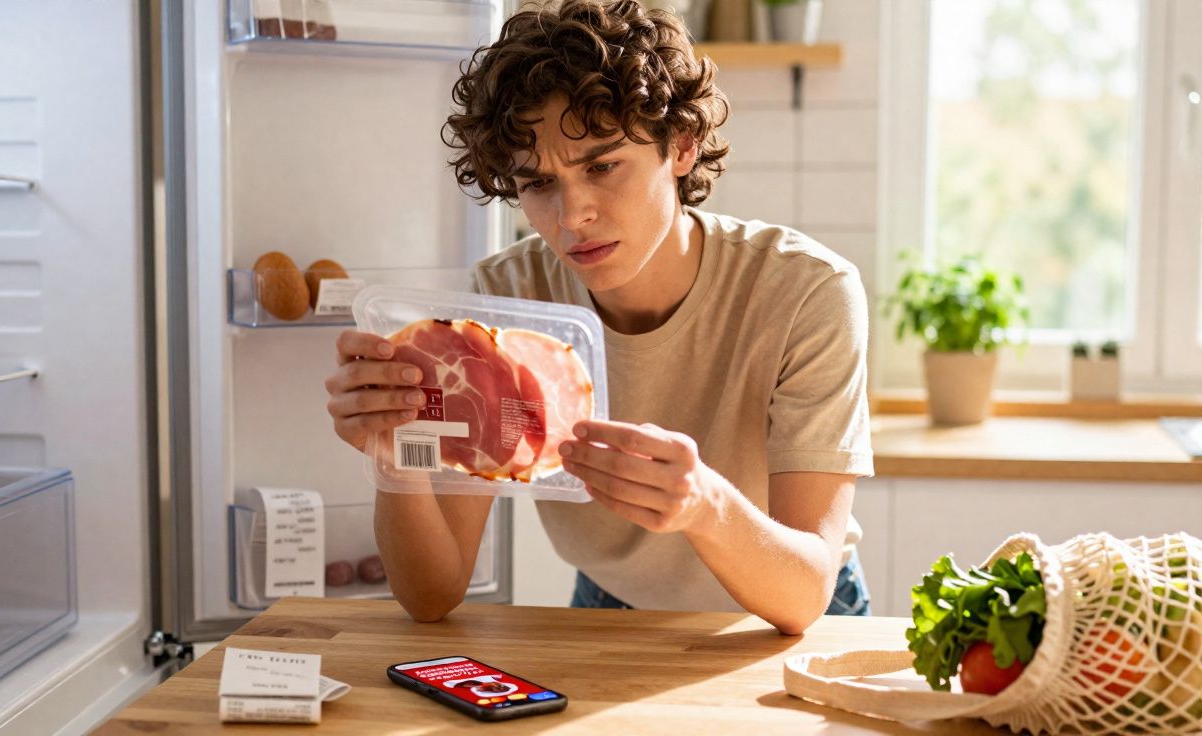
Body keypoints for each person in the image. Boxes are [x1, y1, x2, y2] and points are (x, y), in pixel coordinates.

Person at [324, 0, 873, 634]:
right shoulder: (508, 298)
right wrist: (393, 455)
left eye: (603, 166)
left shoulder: (806, 292)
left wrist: (706, 504)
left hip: (787, 616)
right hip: (611, 606)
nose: (571, 216)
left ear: (683, 146)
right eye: (537, 183)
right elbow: (432, 595)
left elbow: (805, 593)